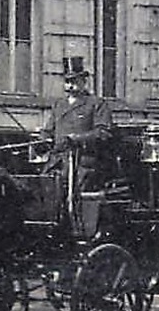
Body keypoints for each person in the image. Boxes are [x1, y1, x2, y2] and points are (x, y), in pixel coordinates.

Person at [38, 57, 113, 235]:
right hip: (58, 162)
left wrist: (77, 139)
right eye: (67, 82)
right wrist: (42, 139)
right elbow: (49, 130)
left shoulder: (96, 104)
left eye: (74, 81)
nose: (70, 86)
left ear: (84, 81)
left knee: (75, 197)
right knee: (45, 191)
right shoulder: (59, 105)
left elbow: (103, 133)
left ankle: (77, 234)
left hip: (83, 163)